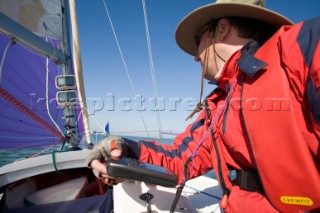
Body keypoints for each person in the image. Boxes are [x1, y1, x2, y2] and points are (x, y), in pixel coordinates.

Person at [86, 0, 320, 212]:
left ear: (221, 29)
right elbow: (180, 158)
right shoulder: (220, 104)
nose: (196, 57)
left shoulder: (299, 50)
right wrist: (126, 148)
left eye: (198, 41)